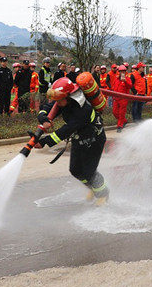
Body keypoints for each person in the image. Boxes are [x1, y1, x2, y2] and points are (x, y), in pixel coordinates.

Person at [35, 77, 109, 206]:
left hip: (94, 140)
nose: (56, 103)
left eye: (59, 100)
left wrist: (45, 141)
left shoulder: (83, 108)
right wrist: (43, 117)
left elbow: (68, 129)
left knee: (89, 171)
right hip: (78, 139)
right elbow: (48, 107)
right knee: (75, 170)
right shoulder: (63, 100)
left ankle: (103, 194)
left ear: (68, 96)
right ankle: (93, 188)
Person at [112, 65, 131, 132]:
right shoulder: (116, 79)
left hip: (123, 99)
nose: (122, 72)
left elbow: (130, 86)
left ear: (125, 72)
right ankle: (124, 121)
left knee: (121, 113)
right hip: (116, 99)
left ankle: (119, 126)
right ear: (119, 72)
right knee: (114, 112)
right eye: (121, 71)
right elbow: (114, 88)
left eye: (123, 71)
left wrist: (125, 81)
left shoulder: (127, 79)